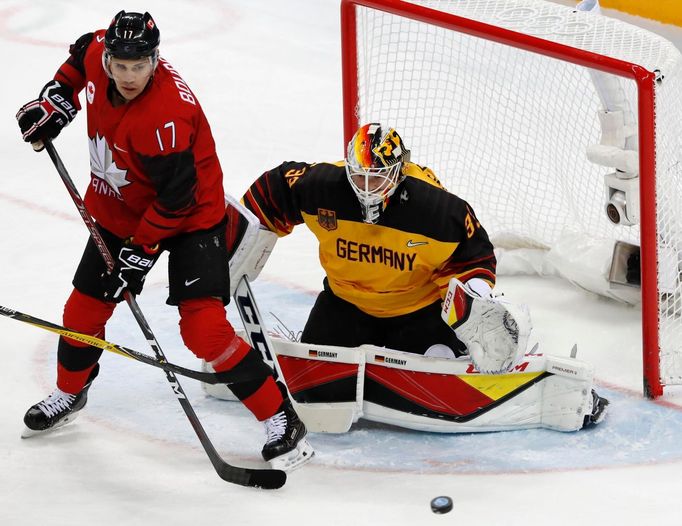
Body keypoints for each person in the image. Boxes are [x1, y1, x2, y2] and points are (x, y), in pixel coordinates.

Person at [15, 11, 313, 470]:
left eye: (140, 66)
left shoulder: (166, 117)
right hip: (121, 206)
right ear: (110, 57)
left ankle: (281, 417)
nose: (129, 75)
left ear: (156, 59)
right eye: (120, 65)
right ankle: (70, 393)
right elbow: (78, 56)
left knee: (204, 331)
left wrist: (141, 252)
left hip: (192, 218)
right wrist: (55, 101)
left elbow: (177, 199)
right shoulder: (99, 51)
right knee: (82, 311)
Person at [240, 122, 608, 428]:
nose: (367, 188)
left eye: (378, 178)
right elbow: (269, 194)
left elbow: (474, 257)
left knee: (439, 361)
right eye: (360, 176)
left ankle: (482, 357)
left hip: (417, 311)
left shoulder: (436, 207)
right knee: (316, 386)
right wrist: (235, 242)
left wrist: (475, 303)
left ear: (398, 173)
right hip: (347, 303)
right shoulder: (323, 185)